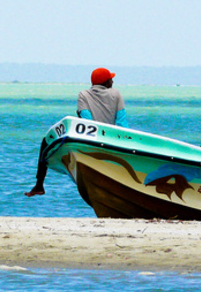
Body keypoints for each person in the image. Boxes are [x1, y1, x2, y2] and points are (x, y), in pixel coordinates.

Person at [25, 67, 128, 197]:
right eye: (111, 79)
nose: (113, 82)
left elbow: (87, 121)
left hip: (91, 141)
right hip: (112, 142)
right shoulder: (116, 94)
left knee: (45, 142)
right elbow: (122, 124)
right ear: (106, 82)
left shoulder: (83, 95)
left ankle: (39, 184)